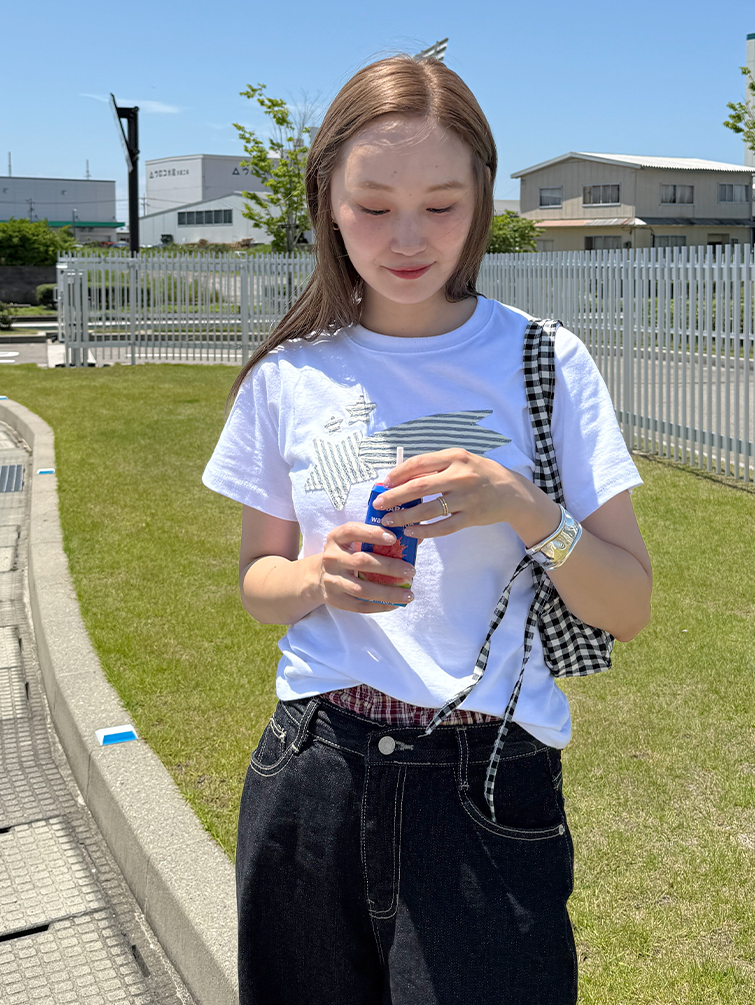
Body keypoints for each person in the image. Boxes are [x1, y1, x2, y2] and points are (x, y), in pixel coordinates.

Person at [203, 55, 652, 1005]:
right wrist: (318, 578)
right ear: (327, 202)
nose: (406, 238)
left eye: (441, 205)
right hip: (313, 765)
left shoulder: (545, 362)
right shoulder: (288, 376)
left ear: (481, 199)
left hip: (486, 781)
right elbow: (257, 582)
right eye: (373, 206)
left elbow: (629, 604)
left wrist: (525, 508)